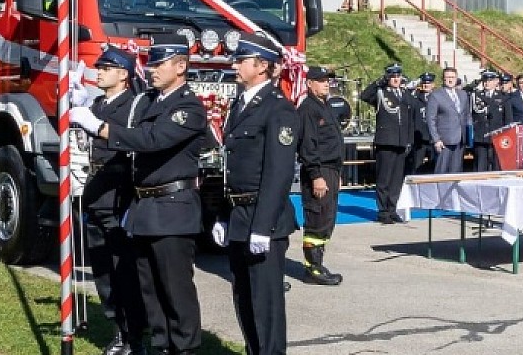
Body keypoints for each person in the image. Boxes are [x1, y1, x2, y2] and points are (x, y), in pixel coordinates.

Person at [71, 34, 206, 355]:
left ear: (181, 66)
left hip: (173, 209)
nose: (153, 69)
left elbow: (151, 139)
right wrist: (88, 103)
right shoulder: (151, 101)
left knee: (175, 292)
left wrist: (98, 128)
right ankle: (160, 347)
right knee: (151, 291)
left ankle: (184, 350)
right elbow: (123, 114)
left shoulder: (187, 106)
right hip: (146, 207)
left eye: (159, 64)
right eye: (152, 63)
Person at [211, 34, 298, 354]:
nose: (234, 64)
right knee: (244, 299)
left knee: (266, 305)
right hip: (238, 215)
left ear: (261, 66)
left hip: (265, 220)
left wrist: (262, 226)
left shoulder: (278, 109)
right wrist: (223, 214)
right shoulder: (240, 103)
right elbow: (230, 167)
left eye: (241, 60)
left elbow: (278, 173)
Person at [79, 46, 148, 355]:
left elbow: (128, 142)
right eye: (100, 67)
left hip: (117, 196)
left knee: (124, 273)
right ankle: (117, 328)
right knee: (103, 273)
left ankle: (133, 336)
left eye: (106, 68)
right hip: (95, 194)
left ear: (123, 74)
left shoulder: (132, 106)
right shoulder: (96, 104)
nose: (100, 72)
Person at [296, 65, 345, 285]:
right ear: (309, 83)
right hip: (319, 171)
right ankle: (312, 269)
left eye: (328, 80)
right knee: (317, 218)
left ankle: (318, 263)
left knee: (327, 219)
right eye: (321, 80)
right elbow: (308, 146)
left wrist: (336, 173)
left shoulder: (324, 106)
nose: (327, 83)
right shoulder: (308, 108)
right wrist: (316, 175)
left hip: (330, 170)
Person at [361, 63, 413, 224]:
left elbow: (410, 120)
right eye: (392, 76)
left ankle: (392, 209)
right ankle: (383, 211)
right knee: (384, 178)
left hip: (401, 142)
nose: (396, 79)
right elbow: (364, 95)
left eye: (398, 76)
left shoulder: (405, 94)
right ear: (388, 78)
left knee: (397, 180)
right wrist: (378, 82)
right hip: (386, 142)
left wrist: (409, 140)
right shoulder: (381, 93)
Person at [426, 67, 470, 174]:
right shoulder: (436, 95)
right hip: (444, 141)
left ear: (456, 78)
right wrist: (436, 139)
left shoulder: (463, 95)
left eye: (452, 77)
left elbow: (467, 115)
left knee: (456, 173)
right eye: (447, 77)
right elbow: (430, 119)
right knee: (442, 172)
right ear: (443, 79)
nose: (450, 80)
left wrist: (468, 137)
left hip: (460, 140)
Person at [470, 70, 512, 171]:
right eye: (485, 80)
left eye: (490, 80)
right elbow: (471, 116)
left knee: (497, 166)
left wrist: (505, 138)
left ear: (496, 81)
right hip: (481, 136)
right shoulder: (476, 96)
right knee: (480, 166)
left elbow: (508, 120)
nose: (487, 83)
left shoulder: (503, 97)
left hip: (497, 137)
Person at [408, 72, 435, 174]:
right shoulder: (415, 97)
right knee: (417, 165)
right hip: (419, 138)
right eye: (424, 83)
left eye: (428, 83)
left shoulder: (437, 97)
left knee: (434, 166)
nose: (426, 85)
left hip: (434, 138)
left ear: (433, 84)